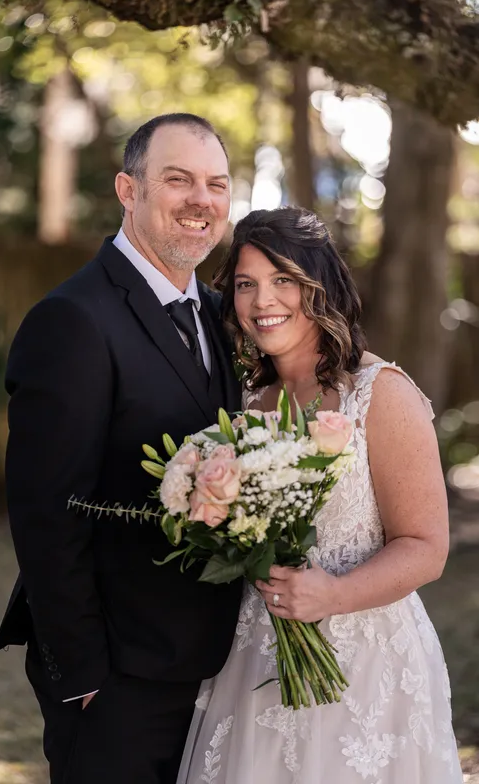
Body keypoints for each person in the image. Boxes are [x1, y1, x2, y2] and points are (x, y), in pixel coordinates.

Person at [0, 113, 243, 784]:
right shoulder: (72, 320)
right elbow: (46, 514)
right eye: (178, 180)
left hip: (218, 669)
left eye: (217, 184)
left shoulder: (223, 316)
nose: (201, 200)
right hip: (116, 681)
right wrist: (82, 676)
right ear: (128, 190)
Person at [177, 206, 462, 784]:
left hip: (368, 667)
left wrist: (334, 594)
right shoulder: (244, 405)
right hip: (257, 658)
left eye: (283, 279)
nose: (263, 301)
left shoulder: (380, 394)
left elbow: (426, 547)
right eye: (246, 284)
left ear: (319, 286)